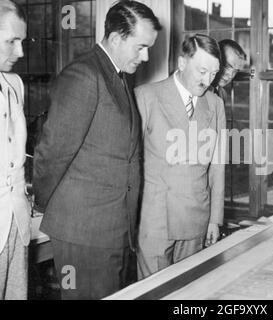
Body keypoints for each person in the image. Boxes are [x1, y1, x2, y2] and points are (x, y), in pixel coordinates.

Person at [32, 1, 161, 300]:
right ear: (116, 38)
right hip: (84, 232)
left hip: (111, 229)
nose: (146, 56)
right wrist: (43, 202)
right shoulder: (85, 75)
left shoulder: (115, 75)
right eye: (141, 47)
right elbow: (52, 152)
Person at [135, 34, 226, 279]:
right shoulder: (145, 97)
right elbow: (132, 162)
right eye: (202, 71)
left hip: (196, 215)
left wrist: (215, 219)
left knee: (189, 290)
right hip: (155, 217)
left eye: (214, 74)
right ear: (182, 63)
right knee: (152, 292)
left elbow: (217, 166)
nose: (208, 80)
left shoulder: (215, 104)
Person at [0, 0, 30, 300]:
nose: (20, 52)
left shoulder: (15, 84)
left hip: (17, 225)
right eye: (11, 41)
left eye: (22, 41)